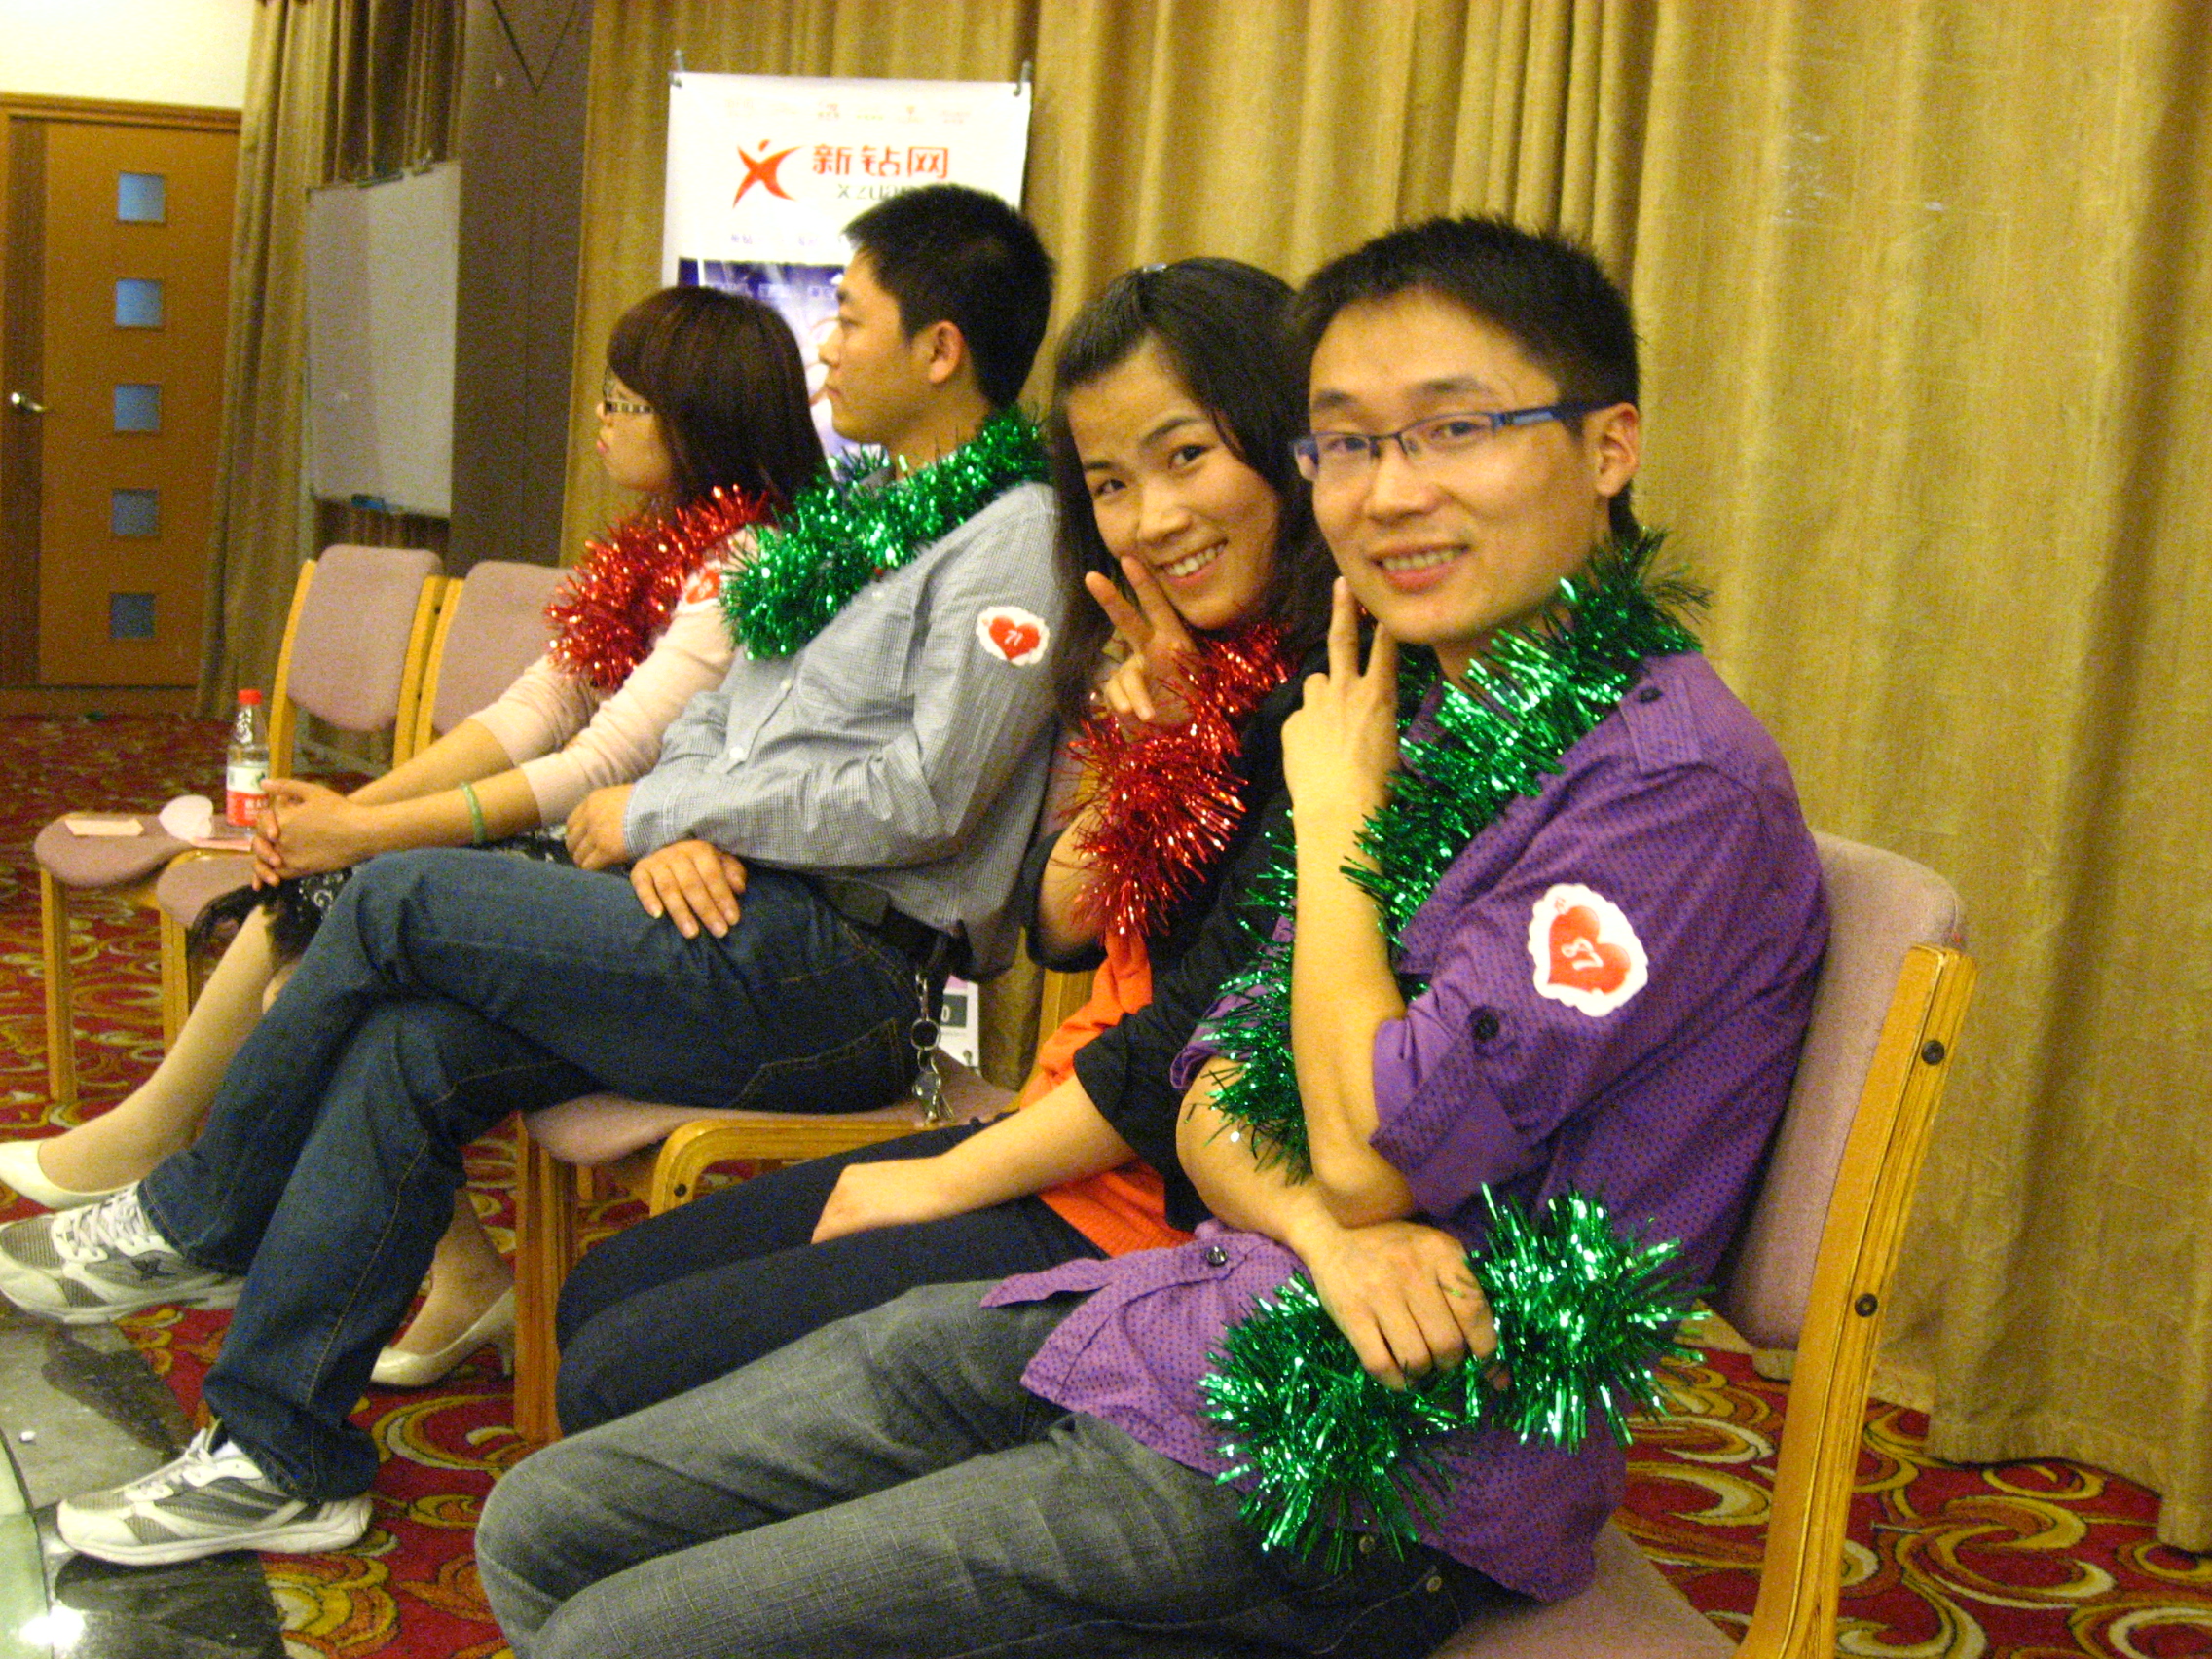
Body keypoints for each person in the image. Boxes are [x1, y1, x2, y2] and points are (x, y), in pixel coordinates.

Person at [470, 214, 1832, 1659]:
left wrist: (1334, 827)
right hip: (1176, 1315)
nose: (1390, 493)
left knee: (616, 1631)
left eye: (1454, 430)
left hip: (1364, 1472)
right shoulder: (1414, 718)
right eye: (1347, 444)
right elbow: (1209, 1090)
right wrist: (1322, 1226)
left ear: (1609, 446)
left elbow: (1373, 1146)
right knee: (542, 1524)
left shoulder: (1660, 789)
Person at [0, 181, 1061, 1566]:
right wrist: (681, 820)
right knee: (411, 1045)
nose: (828, 347)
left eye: (851, 318)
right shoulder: (865, 520)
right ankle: (279, 1452)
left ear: (940, 349)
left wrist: (672, 807)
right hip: (738, 917)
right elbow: (726, 725)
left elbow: (924, 793)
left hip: (851, 976)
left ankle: (199, 1212)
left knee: (392, 894)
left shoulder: (1014, 537)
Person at [549, 257, 1337, 1430]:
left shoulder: (1329, 709)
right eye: (1112, 484)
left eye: (1187, 457)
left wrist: (935, 1182)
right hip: (1061, 1146)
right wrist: (1154, 758)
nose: (1155, 519)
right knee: (605, 1290)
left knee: (626, 1367)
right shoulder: (1181, 658)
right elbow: (1062, 926)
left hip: (1138, 1208)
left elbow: (1176, 1045)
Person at [0, 284, 824, 1387]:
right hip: (592, 843)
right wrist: (357, 815)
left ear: (699, 418)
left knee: (341, 912)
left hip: (665, 871)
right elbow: (532, 711)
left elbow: (602, 760)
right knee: (319, 940)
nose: (601, 419)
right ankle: (440, 1266)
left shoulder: (751, 563)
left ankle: (171, 1154)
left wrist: (367, 831)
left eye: (625, 402)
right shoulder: (650, 548)